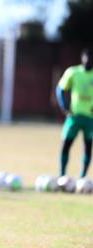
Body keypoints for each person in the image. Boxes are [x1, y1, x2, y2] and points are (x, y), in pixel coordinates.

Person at [56, 48, 93, 177]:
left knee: (88, 147)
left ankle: (83, 177)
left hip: (90, 118)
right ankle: (62, 175)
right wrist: (65, 107)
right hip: (74, 116)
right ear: (82, 58)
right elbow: (60, 89)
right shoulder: (73, 72)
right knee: (66, 144)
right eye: (86, 57)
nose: (88, 60)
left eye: (91, 57)